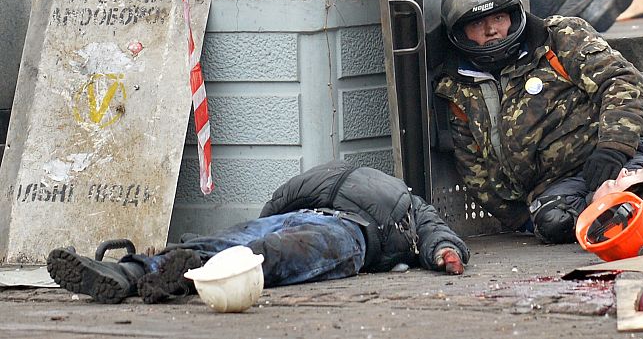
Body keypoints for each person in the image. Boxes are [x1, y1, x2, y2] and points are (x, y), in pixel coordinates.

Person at [432, 0, 643, 245]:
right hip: (558, 187)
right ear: (460, 33)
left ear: (513, 16)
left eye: (498, 18)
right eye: (477, 24)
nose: (491, 30)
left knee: (632, 194)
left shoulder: (559, 37)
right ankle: (609, 207)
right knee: (554, 222)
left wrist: (613, 147)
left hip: (621, 153)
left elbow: (624, 81)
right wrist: (524, 218)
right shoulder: (457, 89)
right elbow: (475, 171)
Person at [47, 161, 470, 304]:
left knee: (264, 248)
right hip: (309, 217)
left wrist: (446, 251)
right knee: (242, 243)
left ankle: (176, 275)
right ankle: (129, 271)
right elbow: (279, 201)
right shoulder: (348, 178)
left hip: (348, 231)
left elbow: (436, 231)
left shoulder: (408, 203)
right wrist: (265, 218)